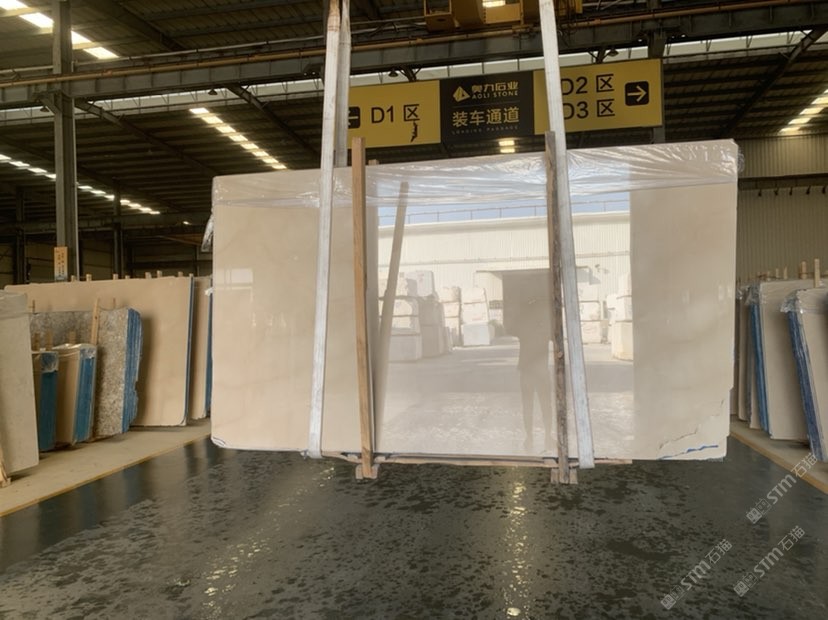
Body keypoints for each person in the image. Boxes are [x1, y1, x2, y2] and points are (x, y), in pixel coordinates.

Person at [516, 297, 553, 453]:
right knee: (545, 405)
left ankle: (530, 437)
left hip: (526, 371)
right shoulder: (545, 327)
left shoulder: (523, 326)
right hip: (541, 371)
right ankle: (547, 437)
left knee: (528, 406)